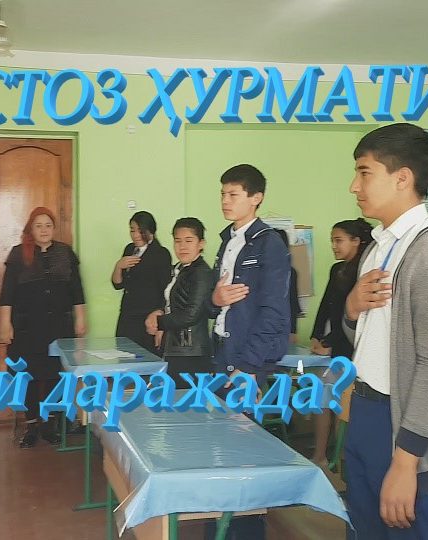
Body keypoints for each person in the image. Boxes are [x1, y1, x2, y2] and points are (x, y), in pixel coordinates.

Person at [342, 123, 428, 539]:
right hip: (365, 409)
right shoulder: (378, 246)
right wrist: (351, 309)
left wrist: (405, 461)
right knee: (363, 529)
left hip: (403, 424)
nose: (354, 186)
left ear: (402, 178)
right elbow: (368, 340)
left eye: (364, 172)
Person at [207, 164, 291, 539]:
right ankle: (220, 522)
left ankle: (245, 529)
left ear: (256, 198)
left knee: (244, 451)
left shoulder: (270, 244)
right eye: (222, 194)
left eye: (233, 194)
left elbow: (274, 312)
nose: (225, 201)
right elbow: (215, 303)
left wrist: (249, 365)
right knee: (220, 446)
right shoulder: (227, 240)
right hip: (222, 354)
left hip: (246, 360)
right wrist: (214, 299)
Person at [0, 207, 86, 448]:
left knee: (55, 375)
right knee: (27, 376)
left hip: (59, 327)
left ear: (54, 228)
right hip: (27, 328)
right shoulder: (19, 254)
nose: (44, 230)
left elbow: (77, 290)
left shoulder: (65, 253)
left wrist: (80, 318)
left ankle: (49, 424)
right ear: (31, 229)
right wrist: (5, 324)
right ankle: (31, 425)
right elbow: (7, 293)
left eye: (48, 225)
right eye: (39, 226)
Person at [309, 217, 373, 467]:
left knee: (343, 405)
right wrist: (316, 335)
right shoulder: (337, 269)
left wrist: (330, 341)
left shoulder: (364, 271)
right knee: (323, 398)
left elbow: (352, 316)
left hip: (352, 348)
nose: (334, 246)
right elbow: (326, 307)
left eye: (339, 241)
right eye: (332, 241)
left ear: (356, 241)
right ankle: (321, 455)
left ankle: (341, 457)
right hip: (333, 347)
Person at [144, 217, 214, 387]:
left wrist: (159, 323)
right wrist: (159, 311)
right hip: (176, 346)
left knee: (185, 400)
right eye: (177, 241)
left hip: (191, 352)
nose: (182, 246)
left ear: (201, 243)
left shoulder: (201, 272)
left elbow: (191, 314)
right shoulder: (180, 269)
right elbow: (171, 301)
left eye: (189, 241)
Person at [111, 211, 172, 353]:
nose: (136, 235)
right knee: (123, 355)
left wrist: (160, 319)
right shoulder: (129, 249)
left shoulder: (161, 253)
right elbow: (117, 284)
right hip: (127, 314)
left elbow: (166, 289)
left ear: (151, 231)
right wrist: (118, 266)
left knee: (146, 357)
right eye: (132, 230)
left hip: (148, 317)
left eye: (141, 231)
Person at [275, 229, 303, 341]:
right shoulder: (255, 270)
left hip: (281, 325)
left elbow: (292, 301)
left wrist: (292, 331)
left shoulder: (290, 272)